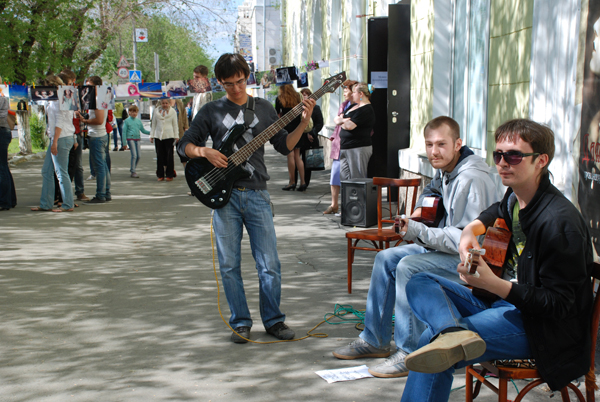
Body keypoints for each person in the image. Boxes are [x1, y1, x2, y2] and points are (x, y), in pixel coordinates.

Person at [400, 119, 594, 402]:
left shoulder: (559, 223)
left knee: (431, 342)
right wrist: (469, 231)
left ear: (541, 160)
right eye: (498, 155)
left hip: (541, 330)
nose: (503, 163)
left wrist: (493, 284)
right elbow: (496, 210)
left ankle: (449, 335)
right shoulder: (517, 196)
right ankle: (452, 332)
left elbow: (559, 305)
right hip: (505, 304)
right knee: (420, 280)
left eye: (514, 156)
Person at [332, 116, 499, 378]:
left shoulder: (472, 180)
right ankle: (374, 340)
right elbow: (431, 193)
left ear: (458, 144)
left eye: (441, 144)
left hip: (471, 262)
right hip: (444, 250)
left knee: (408, 266)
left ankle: (408, 351)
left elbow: (464, 242)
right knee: (386, 258)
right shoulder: (446, 169)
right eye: (429, 144)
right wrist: (419, 214)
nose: (434, 151)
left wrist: (417, 230)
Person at [177, 53, 315, 343]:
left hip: (256, 194)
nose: (236, 89)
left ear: (247, 77)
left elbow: (282, 145)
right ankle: (240, 322)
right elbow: (185, 145)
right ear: (219, 82)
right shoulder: (211, 111)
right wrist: (203, 152)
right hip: (222, 196)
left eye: (240, 82)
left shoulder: (263, 108)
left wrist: (302, 122)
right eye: (228, 84)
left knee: (269, 264)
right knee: (228, 265)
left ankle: (274, 321)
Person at [31, 75, 76, 212]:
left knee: (61, 172)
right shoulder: (56, 99)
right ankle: (46, 203)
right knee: (47, 171)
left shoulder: (59, 99)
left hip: (60, 138)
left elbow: (60, 121)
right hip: (59, 137)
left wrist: (54, 141)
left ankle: (68, 204)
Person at [324, 79, 357, 214]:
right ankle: (334, 204)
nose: (344, 92)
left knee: (349, 177)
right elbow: (338, 122)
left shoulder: (359, 106)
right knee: (335, 175)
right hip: (339, 142)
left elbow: (348, 123)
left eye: (346, 90)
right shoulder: (344, 104)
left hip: (351, 145)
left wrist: (341, 121)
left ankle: (350, 206)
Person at [78, 76, 110, 204]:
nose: (87, 89)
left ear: (96, 87)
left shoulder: (97, 100)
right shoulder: (99, 98)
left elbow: (99, 120)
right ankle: (106, 192)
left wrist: (84, 120)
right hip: (100, 134)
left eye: (89, 86)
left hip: (97, 135)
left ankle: (101, 194)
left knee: (100, 167)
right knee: (103, 166)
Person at [59, 69, 89, 202]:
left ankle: (78, 191)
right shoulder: (62, 94)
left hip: (75, 131)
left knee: (76, 164)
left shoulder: (75, 94)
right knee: (65, 166)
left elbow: (82, 112)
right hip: (65, 132)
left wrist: (77, 113)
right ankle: (62, 194)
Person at [336, 82, 375, 180]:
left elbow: (349, 126)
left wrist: (342, 120)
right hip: (345, 146)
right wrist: (344, 120)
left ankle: (359, 196)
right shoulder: (352, 106)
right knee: (344, 179)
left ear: (361, 94)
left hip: (358, 148)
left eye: (354, 92)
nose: (352, 94)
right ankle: (346, 196)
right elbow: (336, 119)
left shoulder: (366, 109)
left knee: (356, 180)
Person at [276, 84, 306, 191]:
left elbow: (277, 114)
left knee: (290, 156)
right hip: (298, 128)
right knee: (298, 157)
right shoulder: (298, 97)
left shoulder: (279, 99)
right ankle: (303, 182)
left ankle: (292, 182)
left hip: (286, 129)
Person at [297, 88, 324, 189]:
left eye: (306, 94)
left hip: (309, 139)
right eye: (303, 94)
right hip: (299, 137)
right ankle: (295, 182)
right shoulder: (298, 108)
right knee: (296, 160)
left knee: (307, 161)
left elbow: (319, 123)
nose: (304, 96)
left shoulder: (315, 108)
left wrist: (312, 133)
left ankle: (305, 183)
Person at [150, 99, 178, 181]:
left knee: (169, 156)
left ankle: (170, 174)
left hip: (169, 136)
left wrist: (176, 136)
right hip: (158, 136)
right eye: (163, 103)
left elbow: (175, 125)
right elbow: (154, 124)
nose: (165, 105)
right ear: (160, 103)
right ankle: (160, 175)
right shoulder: (156, 111)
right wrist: (152, 135)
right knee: (159, 156)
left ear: (169, 103)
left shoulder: (173, 112)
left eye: (166, 103)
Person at [121, 105, 149, 178]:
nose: (134, 113)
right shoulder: (127, 121)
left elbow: (143, 130)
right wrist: (124, 143)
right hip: (130, 139)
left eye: (135, 112)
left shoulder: (138, 121)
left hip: (137, 139)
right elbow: (124, 132)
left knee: (139, 156)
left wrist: (151, 133)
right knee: (134, 155)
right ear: (129, 112)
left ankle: (133, 168)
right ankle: (133, 171)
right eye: (132, 112)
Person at [0, 95, 16, 210]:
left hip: (1, 132)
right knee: (3, 166)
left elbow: (2, 116)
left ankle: (5, 201)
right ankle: (10, 199)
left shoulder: (1, 99)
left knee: (2, 167)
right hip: (3, 132)